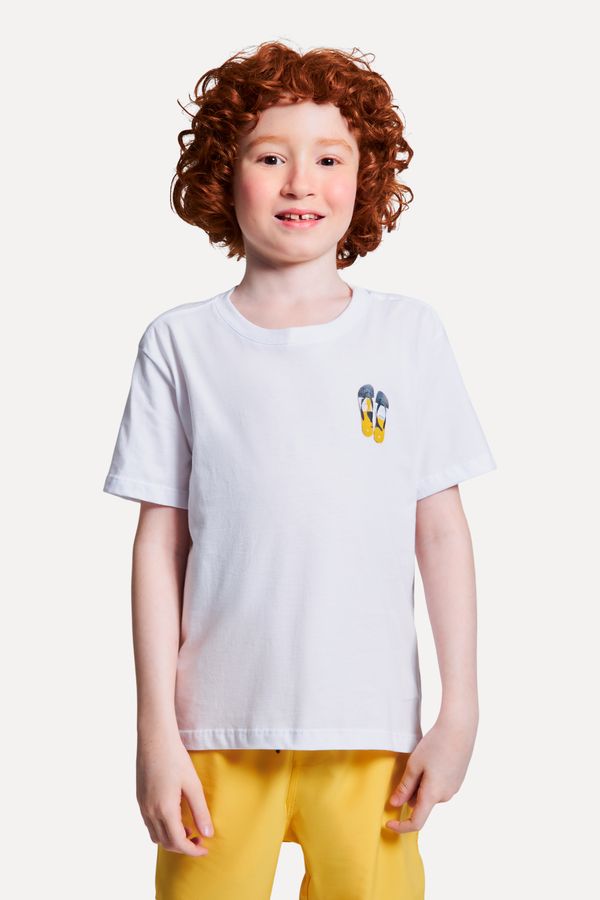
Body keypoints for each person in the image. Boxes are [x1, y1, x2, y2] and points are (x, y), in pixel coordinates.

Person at [103, 40, 497, 900]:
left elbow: (440, 531)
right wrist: (155, 733)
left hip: (369, 731)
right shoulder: (181, 344)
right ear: (225, 171)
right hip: (214, 733)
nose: (300, 183)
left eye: (329, 158)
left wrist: (459, 709)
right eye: (270, 157)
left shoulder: (408, 335)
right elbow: (159, 546)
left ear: (365, 176)